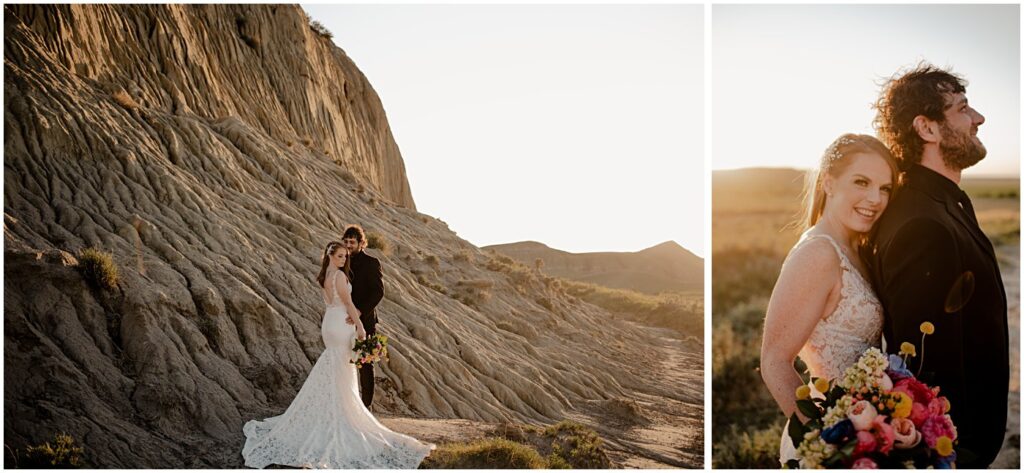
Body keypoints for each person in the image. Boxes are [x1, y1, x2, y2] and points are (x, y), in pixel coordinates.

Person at [866, 64, 1008, 468]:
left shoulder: (941, 203)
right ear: (927, 129)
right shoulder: (921, 225)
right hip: (955, 445)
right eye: (963, 109)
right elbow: (924, 364)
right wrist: (952, 452)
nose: (978, 118)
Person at [759, 134, 899, 466]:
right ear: (829, 183)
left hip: (866, 430)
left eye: (885, 188)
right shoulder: (818, 253)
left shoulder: (858, 250)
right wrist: (826, 442)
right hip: (834, 441)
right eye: (861, 182)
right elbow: (774, 360)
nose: (875, 199)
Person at [241, 242, 433, 468]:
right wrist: (361, 326)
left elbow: (332, 302)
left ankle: (335, 410)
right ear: (330, 256)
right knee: (343, 367)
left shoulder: (324, 275)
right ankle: (342, 415)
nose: (344, 259)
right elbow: (349, 303)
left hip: (330, 323)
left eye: (345, 256)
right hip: (342, 323)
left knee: (336, 365)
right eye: (340, 256)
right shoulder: (340, 277)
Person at [341, 224, 385, 408]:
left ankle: (366, 407)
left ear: (361, 243)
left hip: (365, 321)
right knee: (342, 360)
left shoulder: (371, 263)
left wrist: (359, 312)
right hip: (343, 320)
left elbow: (378, 292)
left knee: (365, 364)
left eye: (352, 242)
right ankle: (345, 403)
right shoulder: (341, 261)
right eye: (346, 242)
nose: (349, 245)